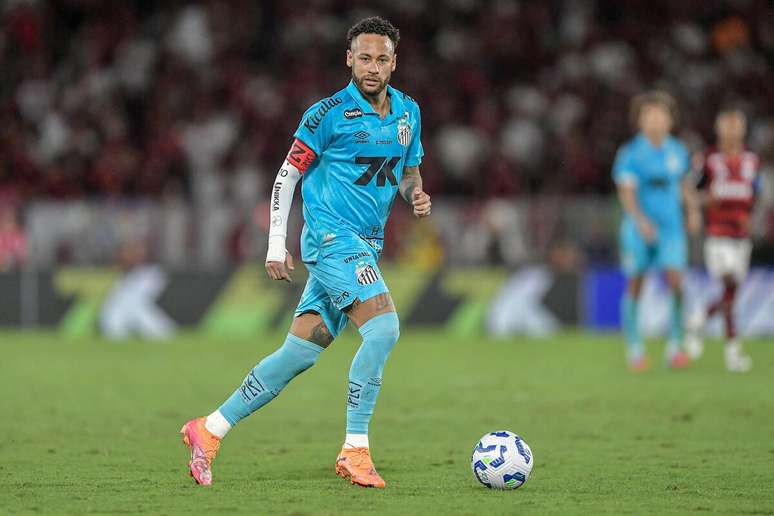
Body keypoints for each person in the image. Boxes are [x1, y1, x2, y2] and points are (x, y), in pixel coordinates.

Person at [180, 17, 431, 488]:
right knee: (383, 329)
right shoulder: (326, 114)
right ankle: (355, 449)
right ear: (349, 59)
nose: (372, 67)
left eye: (381, 59)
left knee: (298, 353)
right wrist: (276, 242)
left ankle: (209, 429)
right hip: (332, 242)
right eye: (363, 57)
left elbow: (407, 174)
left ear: (394, 63)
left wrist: (415, 194)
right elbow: (286, 177)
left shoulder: (408, 113)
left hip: (365, 248)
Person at [612, 91, 701, 371]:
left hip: (671, 229)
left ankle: (675, 346)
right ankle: (635, 349)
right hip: (639, 228)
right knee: (636, 283)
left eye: (660, 116)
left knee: (676, 283)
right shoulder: (630, 153)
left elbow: (685, 185)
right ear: (639, 121)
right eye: (649, 116)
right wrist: (639, 220)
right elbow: (626, 192)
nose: (655, 121)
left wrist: (694, 210)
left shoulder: (677, 151)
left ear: (670, 121)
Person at [685, 109, 759, 372]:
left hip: (742, 236)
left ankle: (698, 320)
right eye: (726, 126)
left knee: (730, 295)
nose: (732, 131)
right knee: (729, 281)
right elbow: (690, 190)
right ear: (719, 130)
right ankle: (733, 352)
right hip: (717, 235)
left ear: (743, 129)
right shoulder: (708, 159)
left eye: (736, 126)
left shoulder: (752, 160)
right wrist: (704, 201)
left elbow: (754, 193)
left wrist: (751, 217)